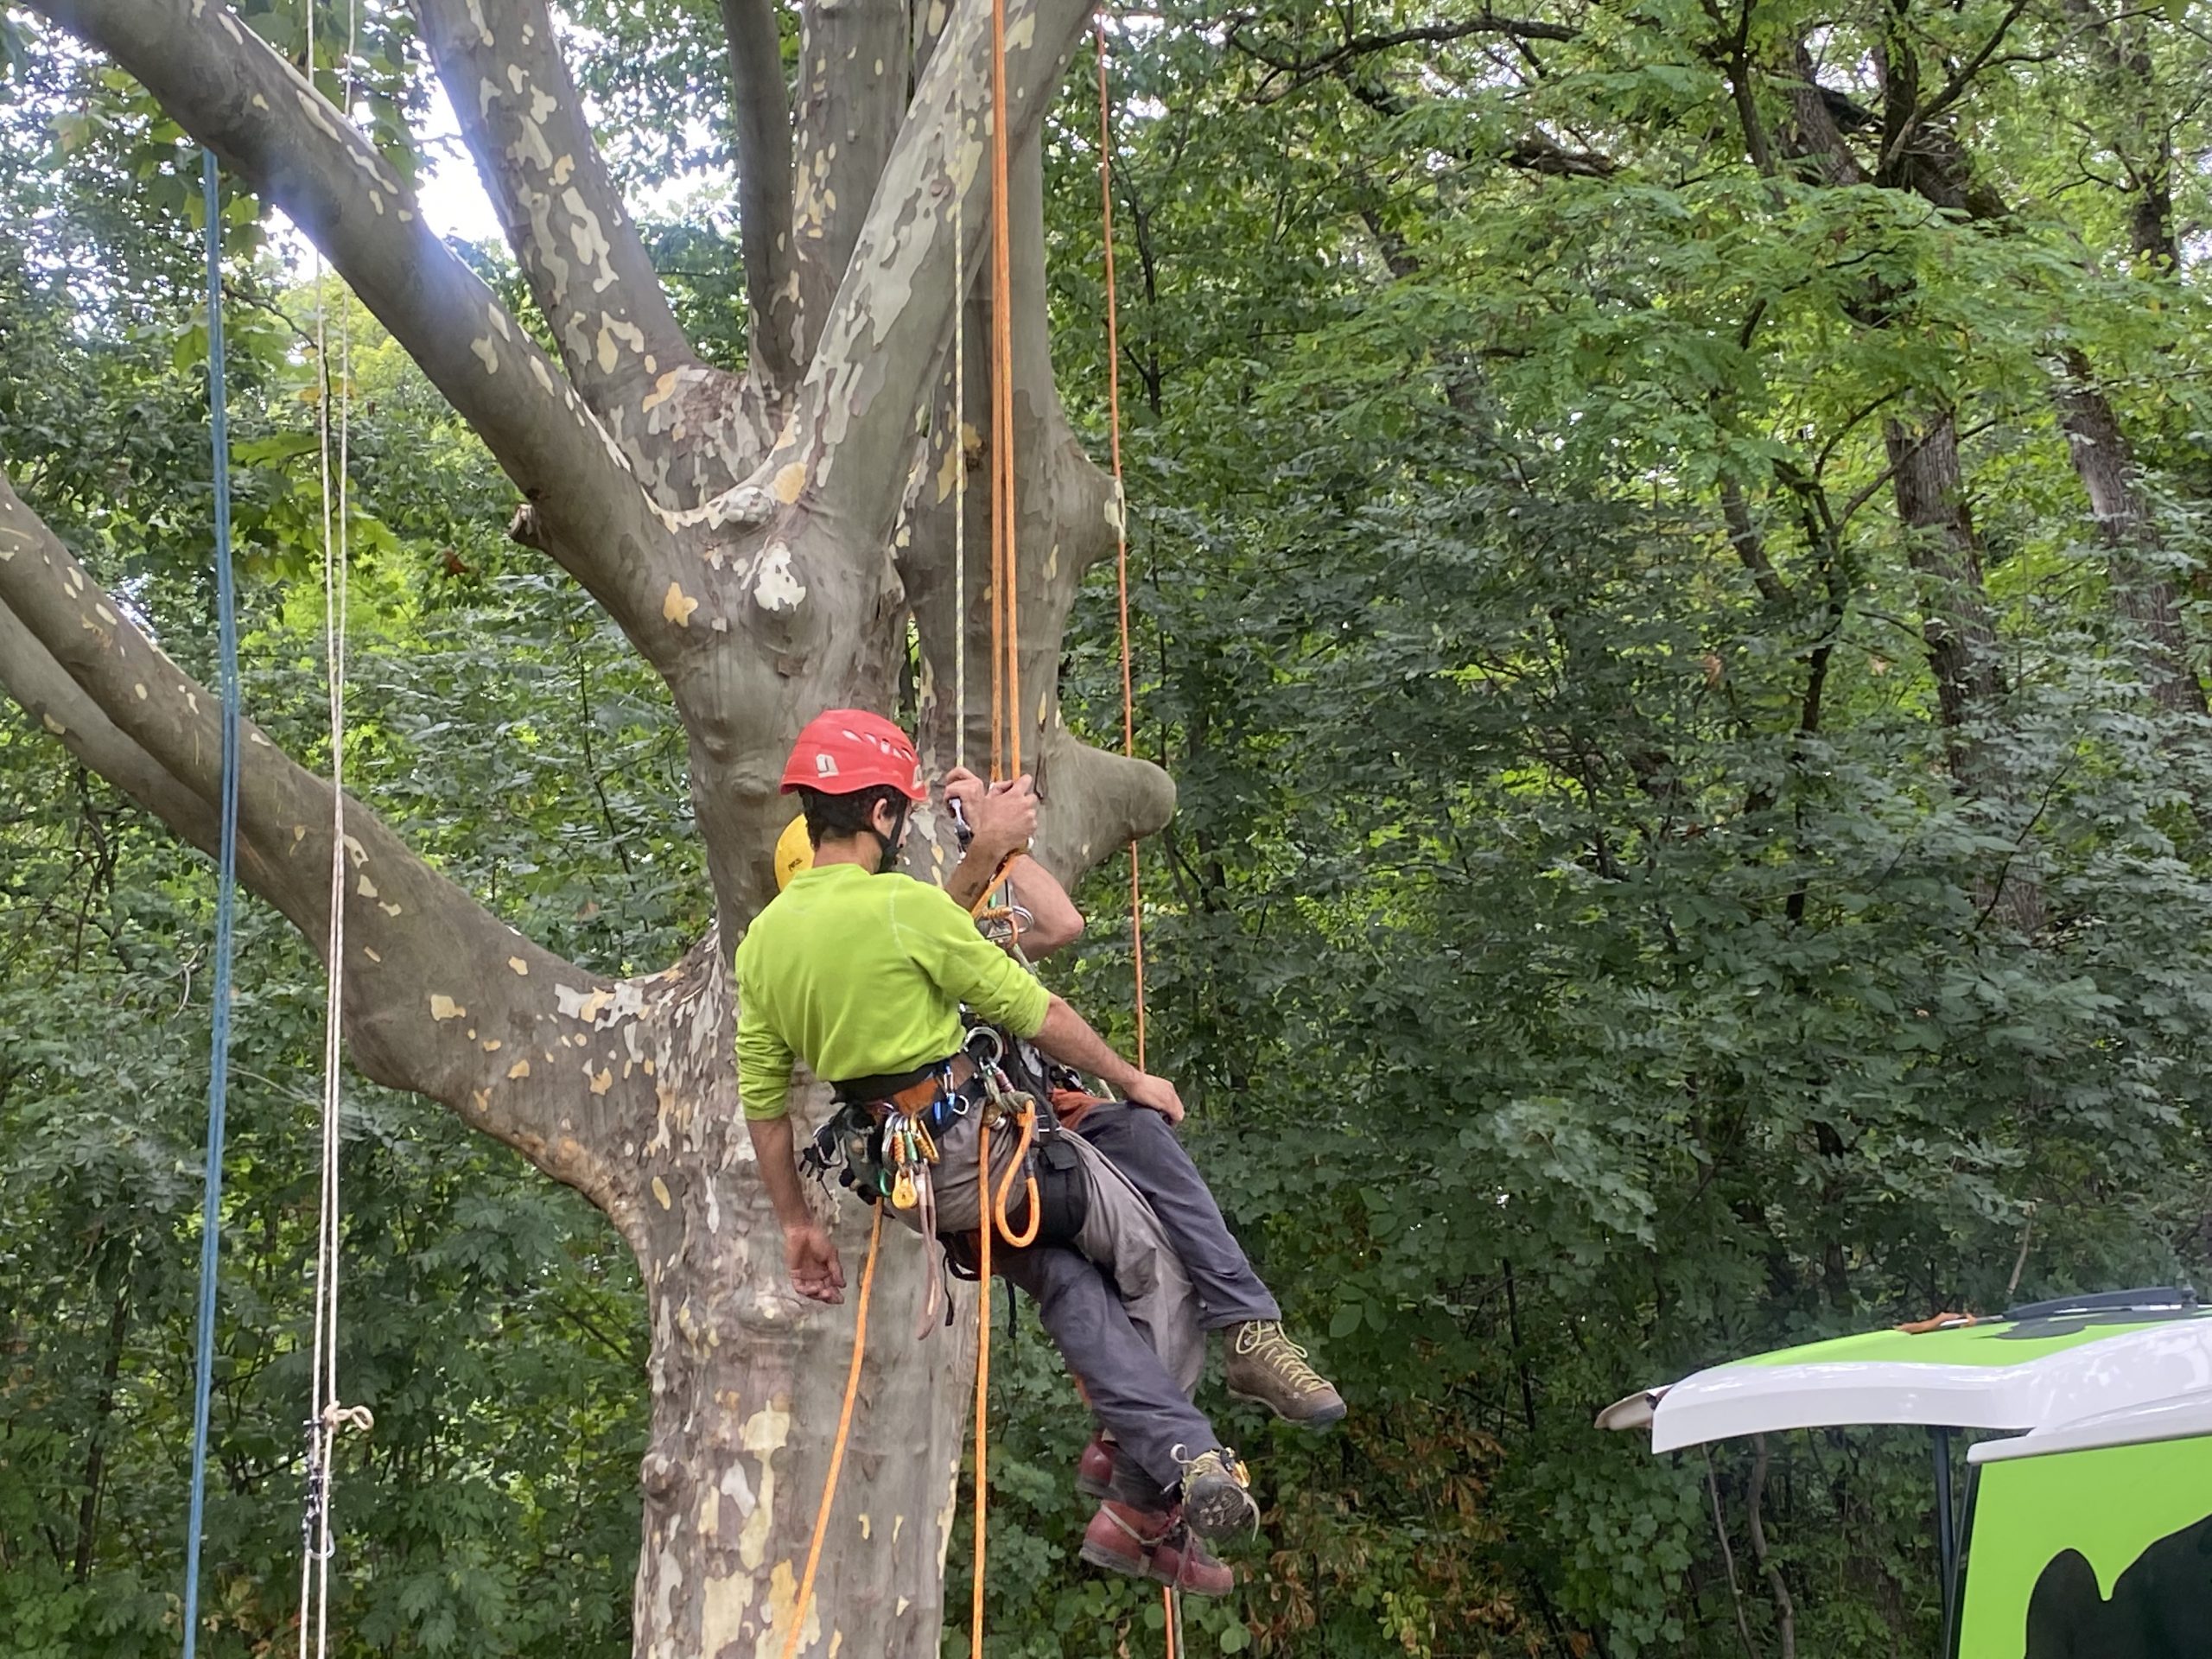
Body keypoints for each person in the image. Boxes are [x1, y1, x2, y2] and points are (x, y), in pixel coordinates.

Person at [740, 710, 1259, 1592]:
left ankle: (1140, 1488)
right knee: (1156, 1259)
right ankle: (1149, 1472)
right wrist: (1132, 1080)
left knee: (1066, 1276)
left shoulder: (767, 942)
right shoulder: (899, 906)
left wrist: (796, 1225)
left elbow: (765, 1111)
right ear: (879, 814)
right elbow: (1037, 1012)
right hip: (983, 1155)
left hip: (914, 1189)